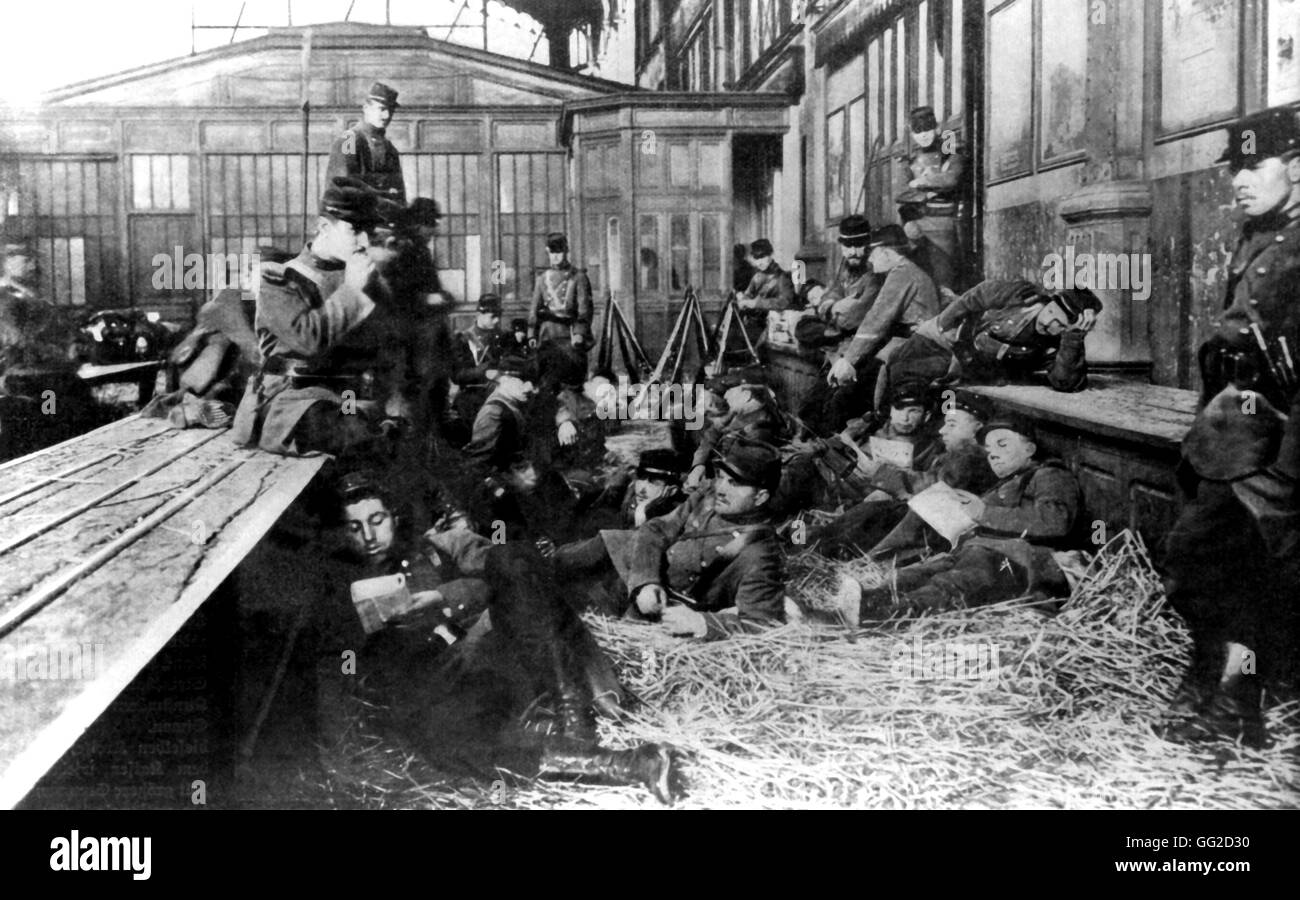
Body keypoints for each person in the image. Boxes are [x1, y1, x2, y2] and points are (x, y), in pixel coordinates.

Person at [316, 477, 680, 803]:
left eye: (376, 520)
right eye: (354, 527)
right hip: (445, 690)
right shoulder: (342, 590)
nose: (368, 536)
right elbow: (336, 665)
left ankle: (574, 714)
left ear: (394, 517)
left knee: (511, 556)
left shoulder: (442, 546)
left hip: (498, 652)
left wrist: (444, 598)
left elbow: (514, 572)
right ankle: (635, 764)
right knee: (445, 741)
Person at [1159, 105, 1300, 749]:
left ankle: (1238, 697)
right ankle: (1211, 674)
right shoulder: (1256, 233)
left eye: (1253, 166)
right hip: (1230, 427)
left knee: (1252, 569)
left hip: (1279, 434)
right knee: (1197, 561)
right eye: (1235, 168)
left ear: (1295, 166)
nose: (1239, 180)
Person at [841, 414, 1083, 623]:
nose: (994, 455)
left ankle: (879, 616)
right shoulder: (1009, 481)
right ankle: (859, 603)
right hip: (978, 550)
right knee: (915, 575)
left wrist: (983, 513)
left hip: (1014, 559)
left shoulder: (1051, 475)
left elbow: (1055, 521)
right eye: (990, 451)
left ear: (1030, 450)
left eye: (1003, 445)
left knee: (951, 585)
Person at [230, 179, 398, 458]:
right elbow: (306, 339)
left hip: (347, 397)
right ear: (323, 227)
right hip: (294, 400)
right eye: (355, 230)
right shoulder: (280, 280)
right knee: (349, 433)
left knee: (386, 432)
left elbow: (389, 347)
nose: (365, 241)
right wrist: (353, 291)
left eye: (369, 231)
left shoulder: (367, 279)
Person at [554, 440, 786, 640]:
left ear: (760, 497)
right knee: (558, 567)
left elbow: (761, 623)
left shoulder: (760, 553)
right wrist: (646, 582)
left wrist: (702, 623)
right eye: (722, 478)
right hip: (636, 569)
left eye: (734, 483)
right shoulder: (707, 496)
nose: (721, 489)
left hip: (654, 608)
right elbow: (656, 528)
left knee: (563, 622)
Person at [817, 389, 999, 559]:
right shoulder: (966, 455)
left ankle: (807, 544)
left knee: (862, 518)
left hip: (925, 531)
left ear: (979, 429)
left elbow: (933, 486)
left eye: (951, 425)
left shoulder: (968, 457)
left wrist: (881, 473)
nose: (942, 430)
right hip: (922, 524)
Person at [888, 279, 1101, 395]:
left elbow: (1065, 383)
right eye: (1051, 312)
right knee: (894, 360)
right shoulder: (1023, 294)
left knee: (905, 375)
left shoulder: (1056, 345)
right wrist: (945, 322)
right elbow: (978, 295)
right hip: (951, 335)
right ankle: (878, 423)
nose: (1048, 322)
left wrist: (1073, 339)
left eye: (1060, 325)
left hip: (966, 365)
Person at [826, 224, 940, 414]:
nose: (869, 259)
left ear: (886, 253)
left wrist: (848, 360)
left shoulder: (902, 273)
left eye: (873, 253)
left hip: (914, 347)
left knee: (849, 391)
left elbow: (877, 320)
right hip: (911, 344)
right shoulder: (907, 270)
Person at [0, 237, 98, 458]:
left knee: (79, 395)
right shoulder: (4, 297)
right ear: (7, 262)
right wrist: (58, 354)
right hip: (24, 372)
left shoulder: (29, 295)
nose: (33, 266)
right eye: (26, 260)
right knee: (53, 400)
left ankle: (72, 450)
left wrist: (73, 344)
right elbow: (17, 338)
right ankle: (50, 449)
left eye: (33, 260)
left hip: (45, 369)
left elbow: (59, 327)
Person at [794, 214, 881, 435]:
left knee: (834, 409)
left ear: (868, 244)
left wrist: (832, 308)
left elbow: (852, 318)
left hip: (863, 353)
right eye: (848, 246)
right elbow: (829, 295)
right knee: (809, 407)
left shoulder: (875, 272)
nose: (853, 252)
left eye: (859, 245)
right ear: (841, 246)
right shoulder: (845, 266)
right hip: (839, 348)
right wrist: (836, 304)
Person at [896, 106, 965, 284]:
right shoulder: (909, 160)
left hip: (943, 224)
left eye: (927, 128)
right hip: (915, 224)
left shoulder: (947, 149)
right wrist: (929, 193)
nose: (924, 135)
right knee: (919, 278)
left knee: (944, 278)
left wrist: (920, 182)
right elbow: (902, 192)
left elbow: (951, 179)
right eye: (918, 131)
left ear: (936, 128)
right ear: (912, 134)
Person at [528, 233, 593, 390]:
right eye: (552, 253)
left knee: (572, 380)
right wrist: (532, 333)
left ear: (566, 252)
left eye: (559, 252)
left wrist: (579, 333)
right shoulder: (542, 279)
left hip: (569, 334)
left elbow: (584, 310)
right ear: (547, 252)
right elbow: (534, 309)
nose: (556, 257)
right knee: (547, 381)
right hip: (547, 334)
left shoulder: (578, 277)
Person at [326, 81, 406, 203]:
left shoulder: (390, 148)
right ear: (366, 108)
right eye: (382, 109)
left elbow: (398, 193)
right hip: (352, 216)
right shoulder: (350, 140)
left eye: (391, 110)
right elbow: (342, 185)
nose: (387, 115)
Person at [727, 238, 794, 361]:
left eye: (763, 257)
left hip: (768, 326)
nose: (760, 262)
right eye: (756, 258)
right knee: (729, 338)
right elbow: (749, 294)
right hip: (753, 323)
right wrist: (743, 298)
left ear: (771, 255)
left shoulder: (782, 278)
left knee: (737, 344)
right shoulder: (757, 276)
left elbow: (785, 302)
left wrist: (756, 303)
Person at [450, 293, 505, 431]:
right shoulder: (463, 338)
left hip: (499, 391)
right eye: (493, 316)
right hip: (472, 395)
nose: (497, 320)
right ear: (479, 314)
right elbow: (458, 376)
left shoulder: (503, 337)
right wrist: (485, 369)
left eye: (499, 316)